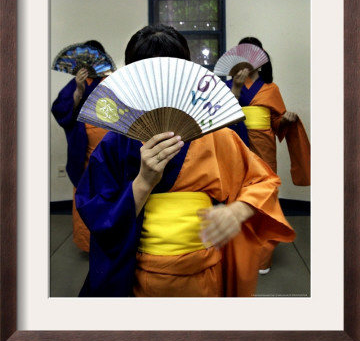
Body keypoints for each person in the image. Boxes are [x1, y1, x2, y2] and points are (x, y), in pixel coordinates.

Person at [75, 25, 295, 297]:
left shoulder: (217, 135)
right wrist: (143, 182)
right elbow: (94, 208)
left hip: (204, 271)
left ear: (184, 74)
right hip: (137, 272)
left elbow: (262, 181)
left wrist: (237, 211)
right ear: (132, 78)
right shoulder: (116, 141)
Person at [226, 36, 310, 273]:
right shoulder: (227, 85)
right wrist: (236, 88)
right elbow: (220, 119)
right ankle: (238, 255)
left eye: (253, 54)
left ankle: (262, 258)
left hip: (264, 149)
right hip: (235, 148)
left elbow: (275, 122)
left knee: (264, 199)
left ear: (260, 61)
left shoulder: (271, 89)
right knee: (236, 198)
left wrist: (285, 119)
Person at [51, 40, 110, 252]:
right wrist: (78, 89)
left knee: (110, 189)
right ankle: (87, 243)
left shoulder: (111, 79)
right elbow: (61, 110)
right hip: (85, 144)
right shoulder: (78, 82)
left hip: (110, 142)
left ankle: (111, 239)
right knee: (85, 189)